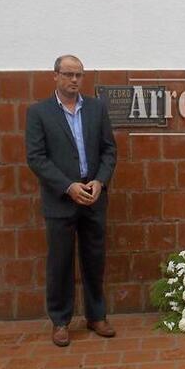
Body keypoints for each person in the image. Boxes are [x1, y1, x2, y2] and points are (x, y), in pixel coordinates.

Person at [26, 55, 117, 347]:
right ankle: (61, 321)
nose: (74, 80)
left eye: (79, 75)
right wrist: (67, 186)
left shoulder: (96, 108)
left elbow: (108, 151)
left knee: (94, 259)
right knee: (60, 262)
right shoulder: (38, 112)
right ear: (55, 76)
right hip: (60, 201)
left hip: (93, 198)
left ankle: (96, 315)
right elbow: (36, 158)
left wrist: (99, 182)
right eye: (68, 74)